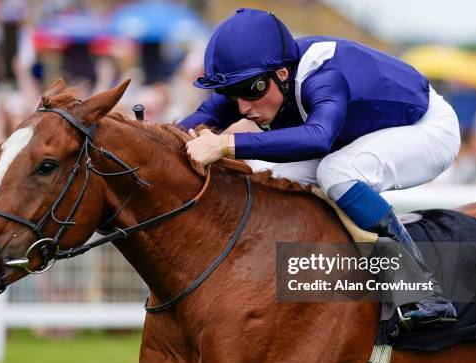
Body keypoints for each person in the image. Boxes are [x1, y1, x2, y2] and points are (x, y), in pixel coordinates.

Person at [180, 8, 461, 327]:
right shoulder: (260, 76)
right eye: (232, 94)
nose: (243, 108)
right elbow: (182, 129)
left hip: (428, 128)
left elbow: (319, 138)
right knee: (265, 176)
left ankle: (424, 292)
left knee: (336, 172)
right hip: (361, 135)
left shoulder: (323, 75)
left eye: (252, 91)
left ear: (282, 74)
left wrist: (226, 144)